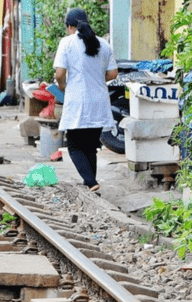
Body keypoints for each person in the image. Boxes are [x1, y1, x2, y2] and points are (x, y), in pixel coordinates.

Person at [53, 7, 118, 192]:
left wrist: (61, 85)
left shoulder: (67, 43)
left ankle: (90, 182)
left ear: (70, 27)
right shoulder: (104, 44)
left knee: (74, 145)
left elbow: (59, 73)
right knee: (90, 146)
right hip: (99, 101)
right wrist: (96, 78)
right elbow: (113, 73)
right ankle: (91, 183)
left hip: (78, 100)